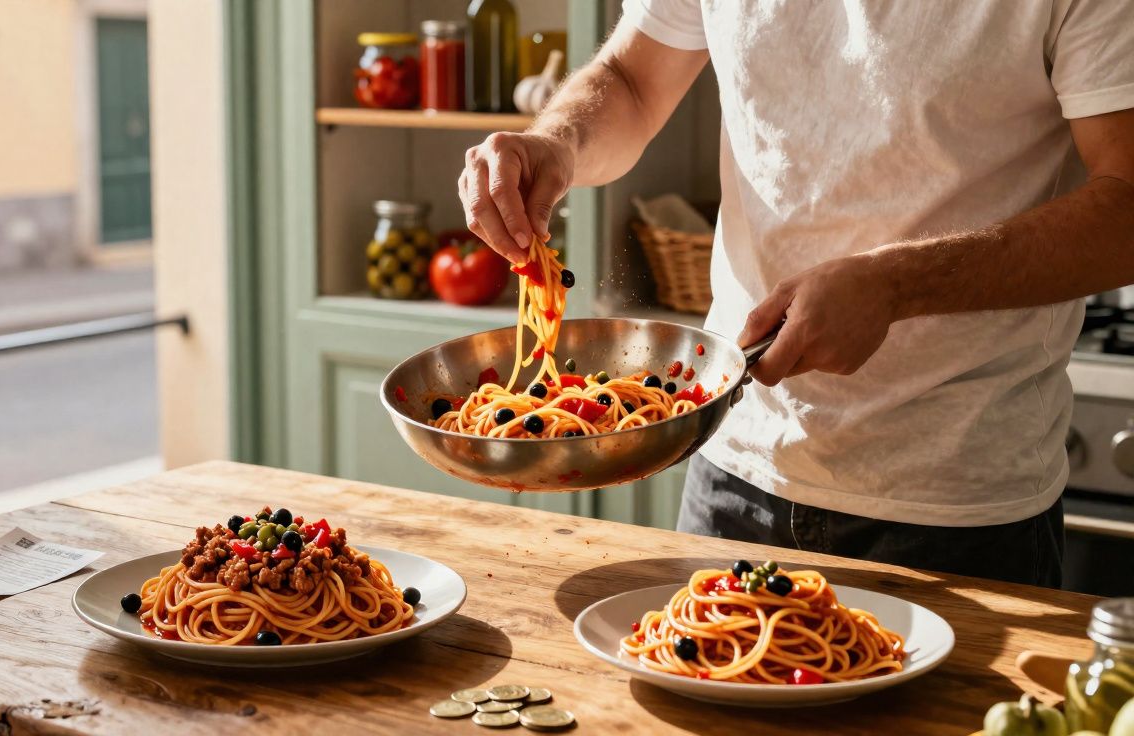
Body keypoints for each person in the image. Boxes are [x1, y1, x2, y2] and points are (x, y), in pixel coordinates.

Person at [456, 0, 1134, 587]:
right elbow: (633, 82)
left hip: (957, 504)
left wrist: (895, 286)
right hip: (733, 466)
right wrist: (556, 141)